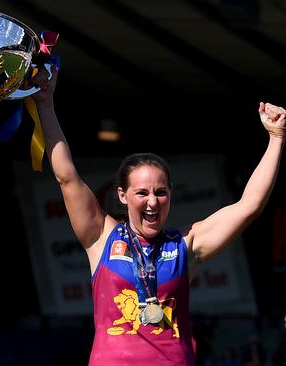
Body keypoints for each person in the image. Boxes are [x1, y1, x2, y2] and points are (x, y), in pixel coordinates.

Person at [30, 66, 285, 365]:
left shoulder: (185, 246)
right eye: (142, 193)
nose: (152, 201)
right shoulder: (101, 237)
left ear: (170, 194)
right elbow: (66, 176)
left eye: (160, 192)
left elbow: (249, 206)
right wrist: (45, 104)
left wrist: (277, 137)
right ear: (123, 195)